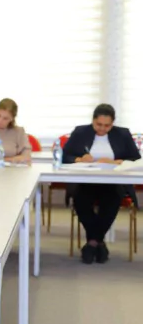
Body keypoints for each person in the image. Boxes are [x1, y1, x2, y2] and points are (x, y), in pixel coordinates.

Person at [63, 104, 141, 264]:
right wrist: (79, 159)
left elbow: (135, 159)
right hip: (85, 181)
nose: (102, 129)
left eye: (107, 126)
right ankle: (98, 243)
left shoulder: (122, 134)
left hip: (113, 182)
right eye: (99, 125)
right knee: (80, 201)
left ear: (113, 123)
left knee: (112, 201)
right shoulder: (80, 132)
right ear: (93, 121)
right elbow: (65, 156)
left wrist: (116, 161)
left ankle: (92, 243)